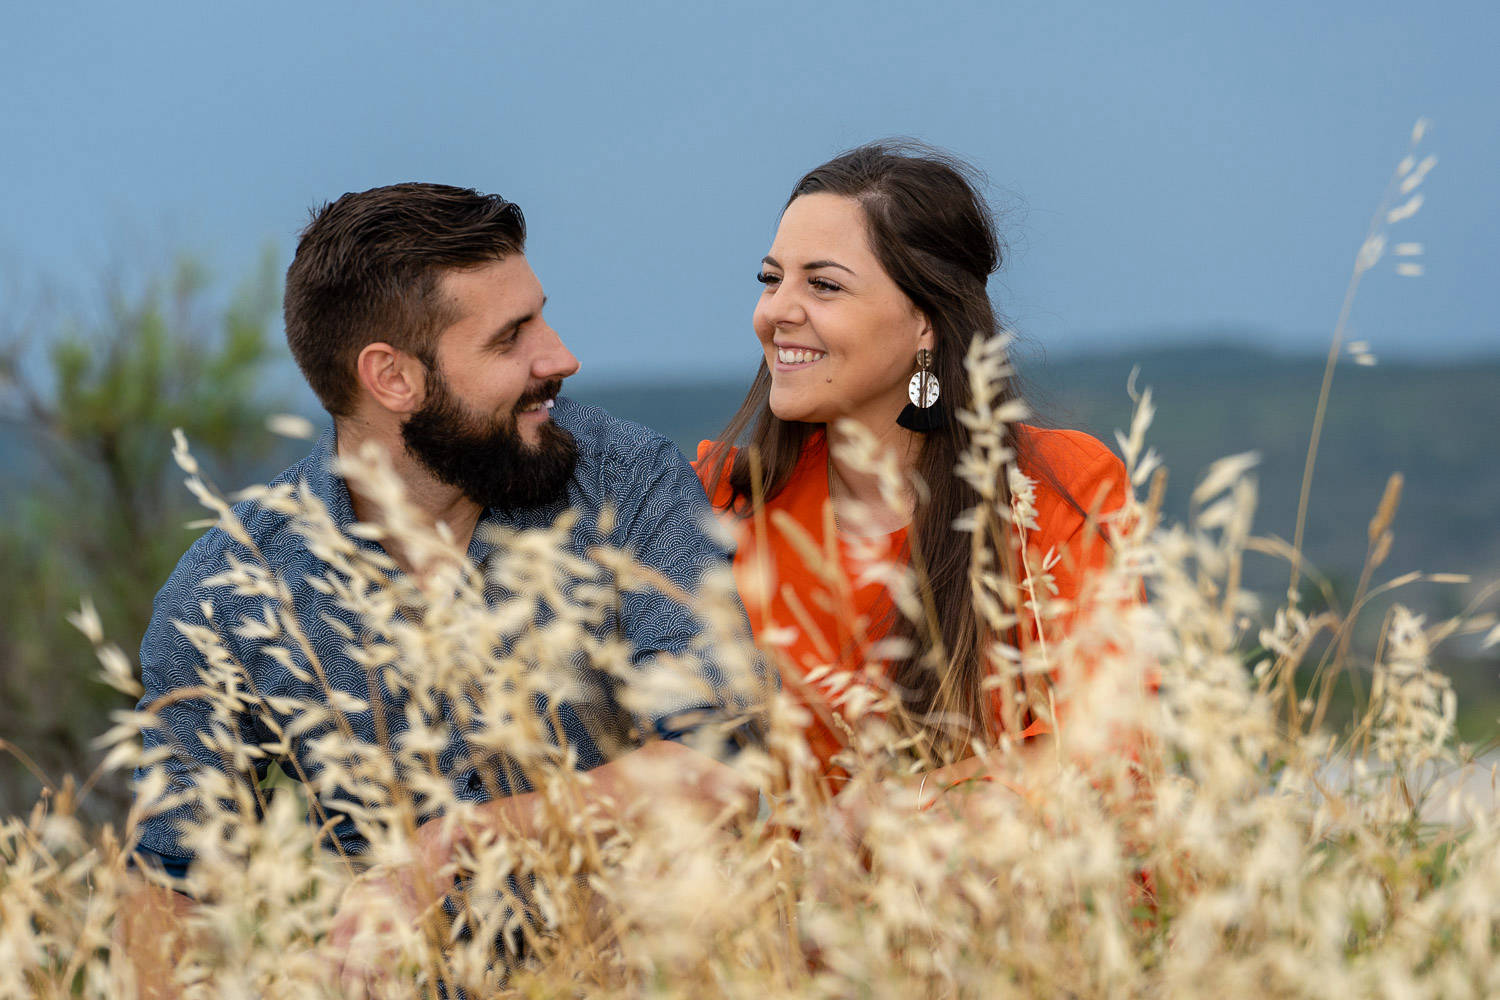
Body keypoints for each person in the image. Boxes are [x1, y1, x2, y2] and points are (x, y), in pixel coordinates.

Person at [121, 183, 760, 990]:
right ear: (392, 378)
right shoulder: (229, 594)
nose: (559, 357)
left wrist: (467, 839)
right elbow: (170, 879)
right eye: (510, 338)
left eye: (541, 315)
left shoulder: (629, 484)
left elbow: (721, 766)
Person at [696, 141, 1134, 797]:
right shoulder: (726, 503)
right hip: (786, 898)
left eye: (823, 285)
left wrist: (899, 811)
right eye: (770, 278)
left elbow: (1104, 759)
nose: (776, 312)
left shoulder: (1057, 491)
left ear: (925, 323)